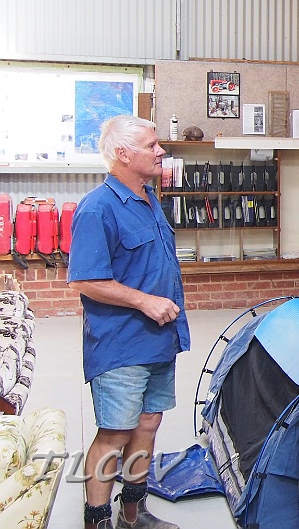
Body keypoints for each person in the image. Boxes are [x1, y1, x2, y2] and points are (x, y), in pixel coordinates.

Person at [68, 115, 188, 529]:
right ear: (122, 154)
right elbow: (85, 280)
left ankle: (133, 517)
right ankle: (96, 521)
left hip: (159, 339)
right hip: (120, 344)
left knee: (148, 425)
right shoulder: (97, 208)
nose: (161, 151)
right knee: (115, 434)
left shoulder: (150, 199)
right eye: (151, 145)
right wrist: (144, 301)